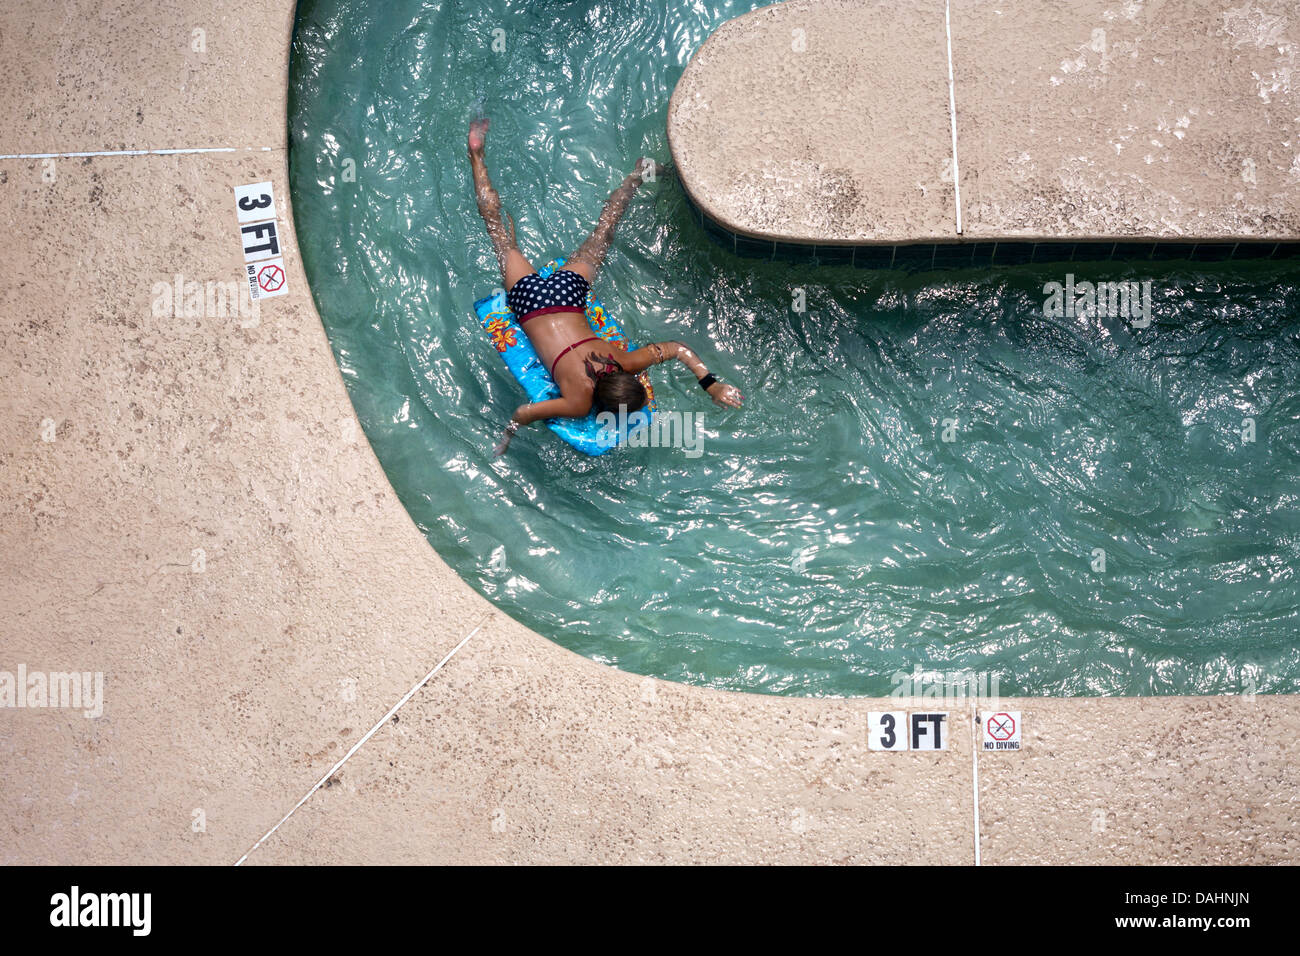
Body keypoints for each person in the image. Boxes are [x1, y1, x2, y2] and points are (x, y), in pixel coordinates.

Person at [468, 118, 742, 456]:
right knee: (499, 235)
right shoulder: (578, 402)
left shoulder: (626, 361)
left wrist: (711, 384)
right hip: (530, 304)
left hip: (566, 295)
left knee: (604, 230)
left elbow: (678, 348)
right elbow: (524, 413)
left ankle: (637, 175)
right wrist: (506, 438)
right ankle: (476, 156)